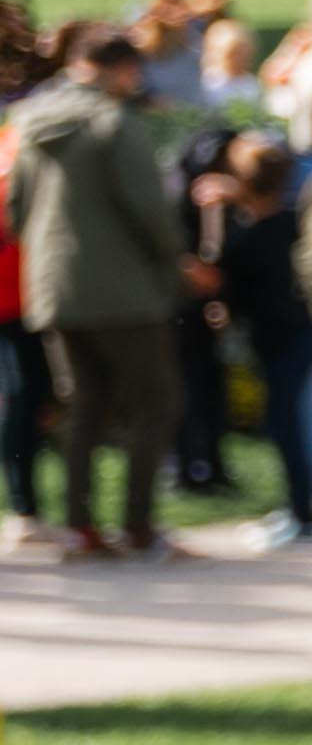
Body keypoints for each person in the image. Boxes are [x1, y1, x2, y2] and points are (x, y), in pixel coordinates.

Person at [9, 32, 194, 560]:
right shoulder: (113, 121)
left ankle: (80, 526)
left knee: (85, 406)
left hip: (52, 288)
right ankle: (139, 526)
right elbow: (149, 211)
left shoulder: (30, 121)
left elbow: (17, 208)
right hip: (123, 291)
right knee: (155, 402)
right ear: (123, 70)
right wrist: (175, 263)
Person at [208, 137, 312, 547]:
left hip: (277, 339)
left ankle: (302, 513)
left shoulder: (248, 239)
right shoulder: (297, 223)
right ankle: (301, 506)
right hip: (305, 333)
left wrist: (213, 216)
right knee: (293, 420)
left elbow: (220, 285)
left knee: (285, 423)